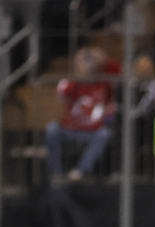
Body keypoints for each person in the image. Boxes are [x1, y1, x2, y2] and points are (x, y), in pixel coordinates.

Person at [45, 46, 115, 182]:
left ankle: (81, 170)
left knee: (105, 133)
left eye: (91, 64)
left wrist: (101, 58)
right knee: (51, 129)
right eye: (84, 63)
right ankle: (56, 173)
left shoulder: (104, 83)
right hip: (70, 128)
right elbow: (61, 92)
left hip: (93, 130)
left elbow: (117, 71)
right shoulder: (71, 84)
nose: (87, 67)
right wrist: (79, 67)